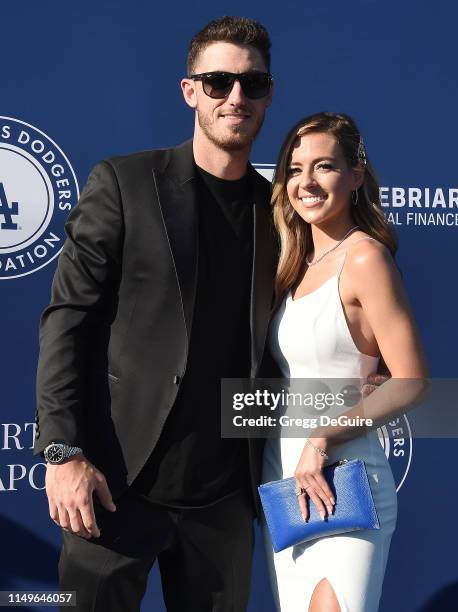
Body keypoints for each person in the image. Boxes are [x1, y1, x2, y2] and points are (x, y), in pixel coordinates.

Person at [33, 16, 278, 612]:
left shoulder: (280, 213)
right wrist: (63, 453)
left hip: (224, 500)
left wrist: (361, 383)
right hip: (115, 487)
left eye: (253, 83)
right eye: (218, 83)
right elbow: (69, 321)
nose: (236, 98)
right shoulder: (125, 183)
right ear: (190, 91)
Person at [261, 112, 428, 612]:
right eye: (294, 169)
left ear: (356, 175)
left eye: (324, 167)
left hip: (346, 480)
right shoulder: (291, 265)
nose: (306, 182)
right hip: (288, 485)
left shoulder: (364, 259)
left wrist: (323, 437)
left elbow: (412, 381)